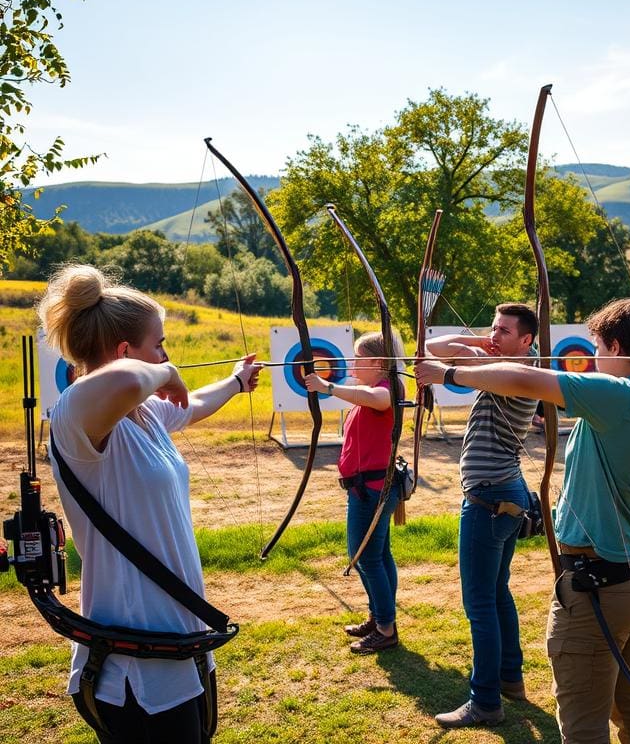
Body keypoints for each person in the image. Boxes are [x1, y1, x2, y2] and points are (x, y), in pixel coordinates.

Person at [417, 298, 630, 743]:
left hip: (601, 582)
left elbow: (524, 376)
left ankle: (489, 695)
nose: (593, 357)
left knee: (582, 725)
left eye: (597, 346)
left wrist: (448, 375)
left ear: (615, 348)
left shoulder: (619, 394)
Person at [37, 264, 262, 743]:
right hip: (134, 670)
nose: (166, 354)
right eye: (159, 343)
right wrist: (164, 371)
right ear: (124, 351)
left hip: (178, 646)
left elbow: (192, 404)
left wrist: (237, 381)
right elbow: (124, 382)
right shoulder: (75, 413)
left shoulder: (144, 415)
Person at [419, 303, 540, 729]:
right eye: (494, 327)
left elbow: (440, 358)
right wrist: (483, 340)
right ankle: (510, 678)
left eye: (505, 330)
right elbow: (430, 346)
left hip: (490, 501)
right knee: (497, 590)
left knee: (480, 602)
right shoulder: (505, 366)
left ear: (527, 341)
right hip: (504, 494)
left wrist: (464, 361)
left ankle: (485, 701)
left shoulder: (517, 376)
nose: (496, 335)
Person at [305, 331, 404, 654]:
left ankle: (386, 628)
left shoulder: (386, 390)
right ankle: (380, 618)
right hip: (370, 489)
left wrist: (328, 387)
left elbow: (379, 400)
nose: (352, 363)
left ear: (378, 362)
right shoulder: (373, 389)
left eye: (359, 358)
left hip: (372, 491)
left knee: (365, 558)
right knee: (378, 556)